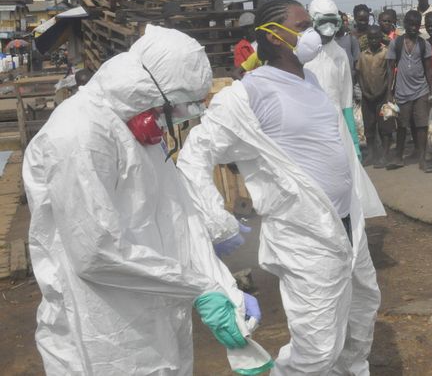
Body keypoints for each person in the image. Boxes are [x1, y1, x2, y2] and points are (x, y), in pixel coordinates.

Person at [23, 25, 260, 375]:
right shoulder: (79, 135)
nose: (185, 114)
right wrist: (199, 285)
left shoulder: (138, 127)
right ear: (150, 91)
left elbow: (176, 211)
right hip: (103, 331)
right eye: (180, 105)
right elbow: (95, 253)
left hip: (157, 309)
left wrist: (221, 282)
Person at [178, 0, 384, 374]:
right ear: (274, 38)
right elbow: (196, 153)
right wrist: (215, 219)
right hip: (304, 236)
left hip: (346, 226)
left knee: (360, 314)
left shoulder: (311, 80)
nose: (312, 33)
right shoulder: (250, 93)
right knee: (318, 346)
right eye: (302, 25)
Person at [305, 0, 361, 160]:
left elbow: (346, 101)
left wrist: (354, 142)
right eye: (323, 22)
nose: (328, 29)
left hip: (337, 127)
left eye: (333, 22)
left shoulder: (340, 55)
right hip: (310, 128)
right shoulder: (300, 55)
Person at [386, 9, 432, 172]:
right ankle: (398, 157)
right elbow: (390, 68)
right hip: (401, 92)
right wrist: (389, 92)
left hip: (421, 91)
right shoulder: (396, 43)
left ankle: (422, 159)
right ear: (405, 24)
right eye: (410, 24)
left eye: (416, 24)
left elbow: (429, 70)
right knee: (401, 125)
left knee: (422, 126)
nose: (413, 28)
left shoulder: (424, 44)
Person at [357, 27, 395, 168]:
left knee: (385, 127)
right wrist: (363, 91)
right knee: (369, 128)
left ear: (381, 38)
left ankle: (385, 155)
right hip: (367, 97)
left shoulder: (385, 53)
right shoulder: (363, 55)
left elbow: (389, 74)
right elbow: (359, 74)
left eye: (376, 38)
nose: (373, 41)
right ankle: (373, 154)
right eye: (371, 38)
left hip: (382, 96)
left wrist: (387, 92)